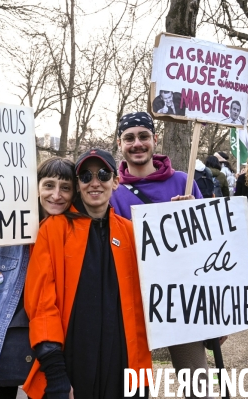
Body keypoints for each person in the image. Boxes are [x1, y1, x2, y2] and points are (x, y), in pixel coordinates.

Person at [24, 149, 152, 399]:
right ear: (78, 184)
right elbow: (41, 306)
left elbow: (158, 292)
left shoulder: (132, 232)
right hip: (71, 366)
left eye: (103, 174)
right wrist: (56, 375)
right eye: (85, 176)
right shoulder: (53, 230)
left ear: (116, 181)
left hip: (123, 366)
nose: (95, 182)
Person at [109, 112, 216, 399]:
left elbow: (208, 244)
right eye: (129, 138)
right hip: (132, 300)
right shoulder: (112, 190)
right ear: (120, 144)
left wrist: (193, 215)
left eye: (143, 136)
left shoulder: (183, 181)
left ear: (155, 139)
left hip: (179, 300)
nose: (137, 143)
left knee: (197, 385)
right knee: (131, 385)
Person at [0, 157, 77, 399]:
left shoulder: (75, 234)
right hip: (0, 347)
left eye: (66, 187)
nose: (56, 195)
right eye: (49, 185)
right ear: (36, 187)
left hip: (50, 350)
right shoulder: (6, 227)